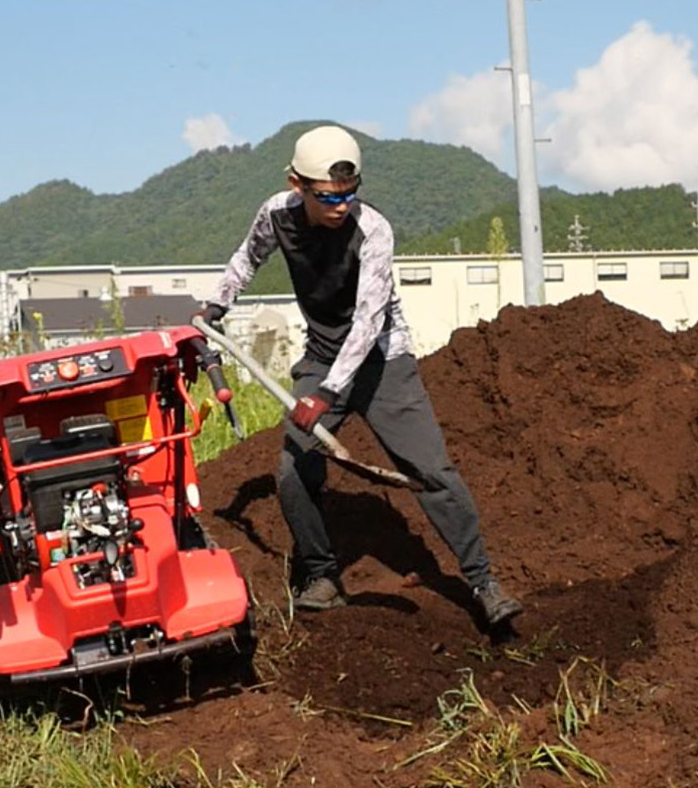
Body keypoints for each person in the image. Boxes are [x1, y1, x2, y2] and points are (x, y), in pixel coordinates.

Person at [198, 124, 524, 626]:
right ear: (296, 184)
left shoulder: (373, 230)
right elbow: (247, 258)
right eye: (329, 196)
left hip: (383, 362)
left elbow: (369, 321)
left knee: (432, 472)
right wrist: (216, 305)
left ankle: (484, 583)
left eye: (350, 192)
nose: (342, 204)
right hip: (322, 359)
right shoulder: (276, 215)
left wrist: (328, 393)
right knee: (294, 472)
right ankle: (323, 577)